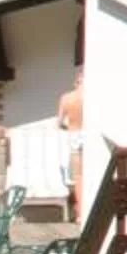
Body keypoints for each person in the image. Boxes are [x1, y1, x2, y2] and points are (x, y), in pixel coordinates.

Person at [55, 70, 84, 211]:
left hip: (74, 135)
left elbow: (59, 123)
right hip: (90, 136)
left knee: (78, 175)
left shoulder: (67, 98)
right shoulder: (93, 97)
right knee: (95, 172)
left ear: (75, 82)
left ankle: (80, 211)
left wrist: (68, 128)